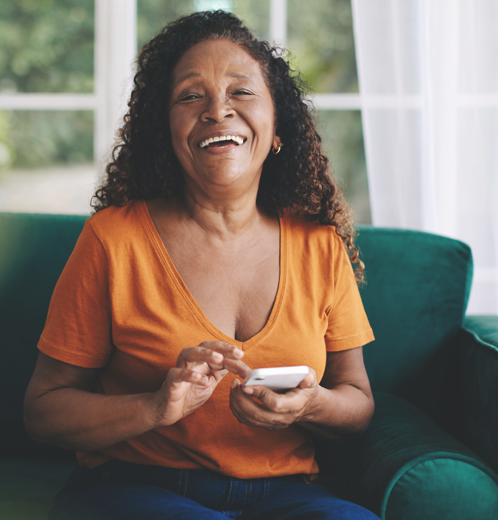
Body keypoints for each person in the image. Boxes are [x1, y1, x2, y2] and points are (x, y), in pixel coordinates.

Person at [23, 10, 378, 520]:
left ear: (277, 127)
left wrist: (311, 404)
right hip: (138, 487)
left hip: (288, 492)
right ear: (165, 131)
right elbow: (43, 410)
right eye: (191, 95)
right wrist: (154, 406)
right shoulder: (112, 240)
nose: (218, 111)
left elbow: (359, 402)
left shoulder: (319, 245)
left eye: (242, 92)